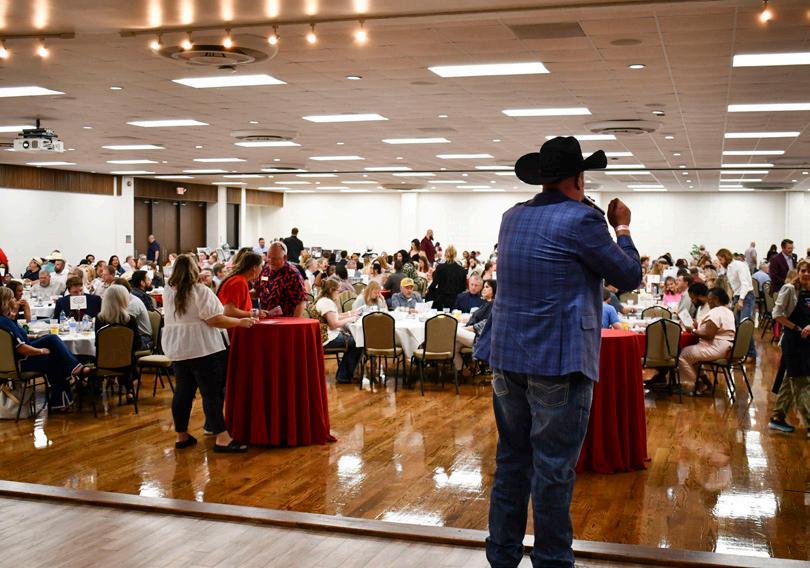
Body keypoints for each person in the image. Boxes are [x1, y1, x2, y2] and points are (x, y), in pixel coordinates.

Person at [483, 136, 641, 568]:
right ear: (579, 177)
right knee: (552, 470)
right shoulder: (584, 220)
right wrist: (622, 228)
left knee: (512, 462)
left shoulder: (512, 216)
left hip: (507, 358)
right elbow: (628, 276)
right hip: (557, 360)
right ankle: (552, 561)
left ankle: (502, 556)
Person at [162, 254, 253, 452]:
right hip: (204, 348)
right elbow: (215, 319)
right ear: (195, 269)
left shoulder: (168, 290)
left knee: (183, 392)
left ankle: (181, 435)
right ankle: (222, 437)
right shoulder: (200, 291)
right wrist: (240, 322)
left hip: (179, 347)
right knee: (211, 393)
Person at [0, 287, 91, 410]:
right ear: (6, 301)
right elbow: (21, 348)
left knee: (52, 344)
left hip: (13, 361)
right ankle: (71, 379)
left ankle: (61, 401)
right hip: (22, 361)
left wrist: (36, 336)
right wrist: (41, 351)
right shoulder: (5, 322)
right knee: (55, 355)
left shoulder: (5, 320)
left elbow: (19, 339)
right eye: (12, 298)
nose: (15, 300)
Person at [769, 259, 810, 435]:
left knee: (789, 379)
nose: (806, 274)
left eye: (809, 271)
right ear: (798, 272)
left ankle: (777, 418)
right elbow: (776, 314)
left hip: (807, 342)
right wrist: (796, 328)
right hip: (794, 342)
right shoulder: (790, 289)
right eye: (803, 270)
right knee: (802, 382)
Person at [678, 287, 736, 394]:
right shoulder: (728, 311)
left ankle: (696, 384)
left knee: (683, 355)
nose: (708, 302)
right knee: (692, 356)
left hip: (716, 348)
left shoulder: (715, 312)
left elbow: (709, 335)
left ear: (716, 299)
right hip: (726, 347)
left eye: (709, 300)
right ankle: (705, 382)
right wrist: (698, 326)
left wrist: (693, 331)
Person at [314, 278, 363, 384]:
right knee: (358, 342)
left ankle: (346, 373)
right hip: (328, 338)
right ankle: (344, 375)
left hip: (324, 335)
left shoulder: (322, 300)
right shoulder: (326, 303)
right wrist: (351, 319)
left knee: (356, 340)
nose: (339, 293)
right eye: (338, 291)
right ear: (331, 290)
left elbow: (335, 316)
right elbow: (334, 324)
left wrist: (350, 314)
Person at [716, 248, 756, 359]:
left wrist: (741, 300)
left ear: (725, 257)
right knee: (737, 325)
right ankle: (741, 352)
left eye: (720, 259)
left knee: (745, 325)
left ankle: (751, 354)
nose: (720, 262)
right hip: (737, 296)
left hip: (746, 296)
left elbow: (745, 284)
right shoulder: (728, 267)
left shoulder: (739, 265)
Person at [255, 241, 307, 318]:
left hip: (283, 320)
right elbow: (257, 290)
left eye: (274, 258)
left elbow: (301, 302)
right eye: (269, 257)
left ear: (285, 257)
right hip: (264, 318)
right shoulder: (265, 269)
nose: (270, 261)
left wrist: (294, 322)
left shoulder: (292, 274)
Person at [454, 279, 496, 371]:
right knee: (453, 346)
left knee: (452, 331)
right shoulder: (487, 303)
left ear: (494, 289)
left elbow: (484, 324)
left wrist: (467, 328)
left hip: (480, 338)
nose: (484, 289)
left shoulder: (494, 305)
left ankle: (473, 366)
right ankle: (465, 371)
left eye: (487, 287)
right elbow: (475, 318)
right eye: (484, 287)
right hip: (473, 334)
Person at [217, 251, 266, 320]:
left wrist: (256, 312)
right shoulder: (239, 282)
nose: (262, 269)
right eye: (261, 266)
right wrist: (254, 314)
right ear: (254, 267)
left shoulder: (239, 280)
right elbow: (228, 312)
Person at [113, 278, 152, 351]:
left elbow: (124, 324)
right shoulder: (124, 301)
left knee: (113, 345)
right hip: (132, 335)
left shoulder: (133, 303)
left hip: (143, 338)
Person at [427, 245, 467, 311]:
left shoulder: (440, 268)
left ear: (445, 255)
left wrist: (428, 291)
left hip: (442, 300)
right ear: (455, 255)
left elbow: (434, 284)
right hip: (456, 301)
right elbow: (463, 288)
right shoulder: (462, 270)